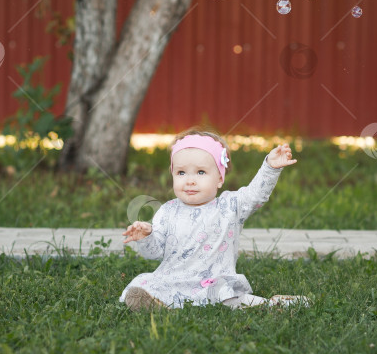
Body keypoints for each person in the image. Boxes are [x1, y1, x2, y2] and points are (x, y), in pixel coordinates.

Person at [119, 128, 309, 311]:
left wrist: (270, 168)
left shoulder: (229, 206)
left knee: (227, 296)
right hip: (175, 278)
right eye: (181, 173)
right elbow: (155, 253)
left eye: (201, 172)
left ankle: (274, 305)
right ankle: (154, 302)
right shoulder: (167, 211)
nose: (190, 180)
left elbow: (255, 195)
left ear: (219, 178)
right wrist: (146, 236)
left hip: (213, 281)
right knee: (143, 283)